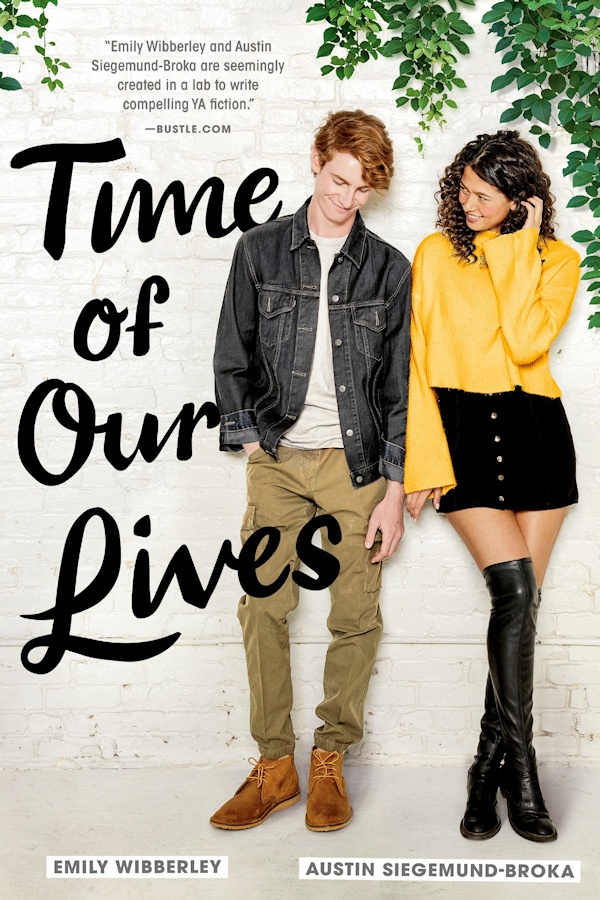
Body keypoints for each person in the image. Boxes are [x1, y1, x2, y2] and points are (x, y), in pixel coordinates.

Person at [211, 110, 411, 831]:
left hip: (357, 468)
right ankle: (273, 767)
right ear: (317, 161)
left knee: (355, 615)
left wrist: (393, 490)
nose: (347, 197)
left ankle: (330, 757)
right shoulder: (261, 251)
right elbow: (231, 353)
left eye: (362, 188)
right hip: (279, 462)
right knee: (263, 606)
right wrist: (254, 445)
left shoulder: (389, 268)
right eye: (338, 179)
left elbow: (398, 387)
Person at [404, 130, 580, 843]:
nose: (465, 203)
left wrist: (518, 247)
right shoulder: (434, 254)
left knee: (521, 608)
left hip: (537, 432)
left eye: (482, 194)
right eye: (463, 190)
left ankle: (487, 767)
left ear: (519, 199)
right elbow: (414, 360)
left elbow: (527, 343)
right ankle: (523, 770)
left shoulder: (558, 260)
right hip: (463, 431)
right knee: (513, 591)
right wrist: (423, 464)